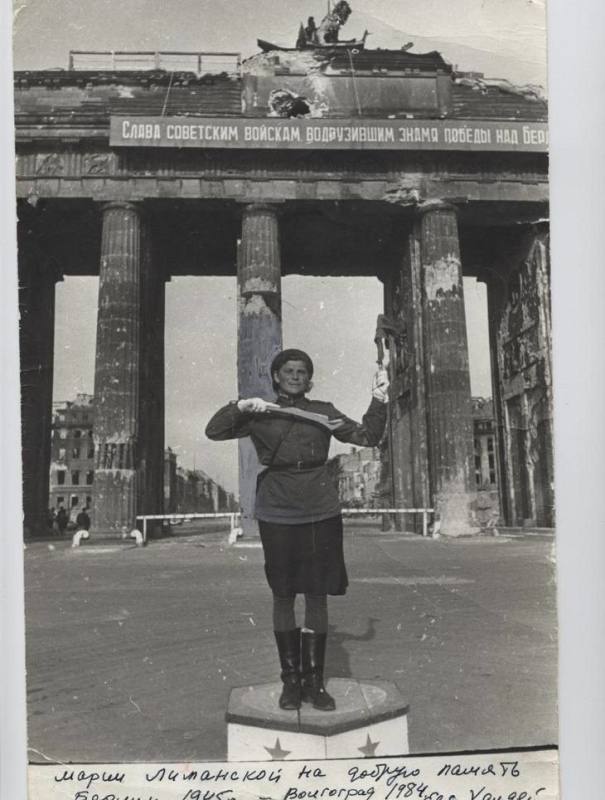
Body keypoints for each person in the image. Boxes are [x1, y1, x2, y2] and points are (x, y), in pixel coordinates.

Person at [205, 348, 389, 712]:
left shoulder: (324, 411)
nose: (294, 376)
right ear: (276, 377)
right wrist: (240, 406)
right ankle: (290, 682)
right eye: (288, 371)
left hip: (320, 508)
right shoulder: (261, 412)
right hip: (277, 508)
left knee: (317, 593)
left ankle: (314, 683)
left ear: (309, 379)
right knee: (283, 594)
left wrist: (379, 398)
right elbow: (214, 431)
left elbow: (368, 436)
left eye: (301, 371)